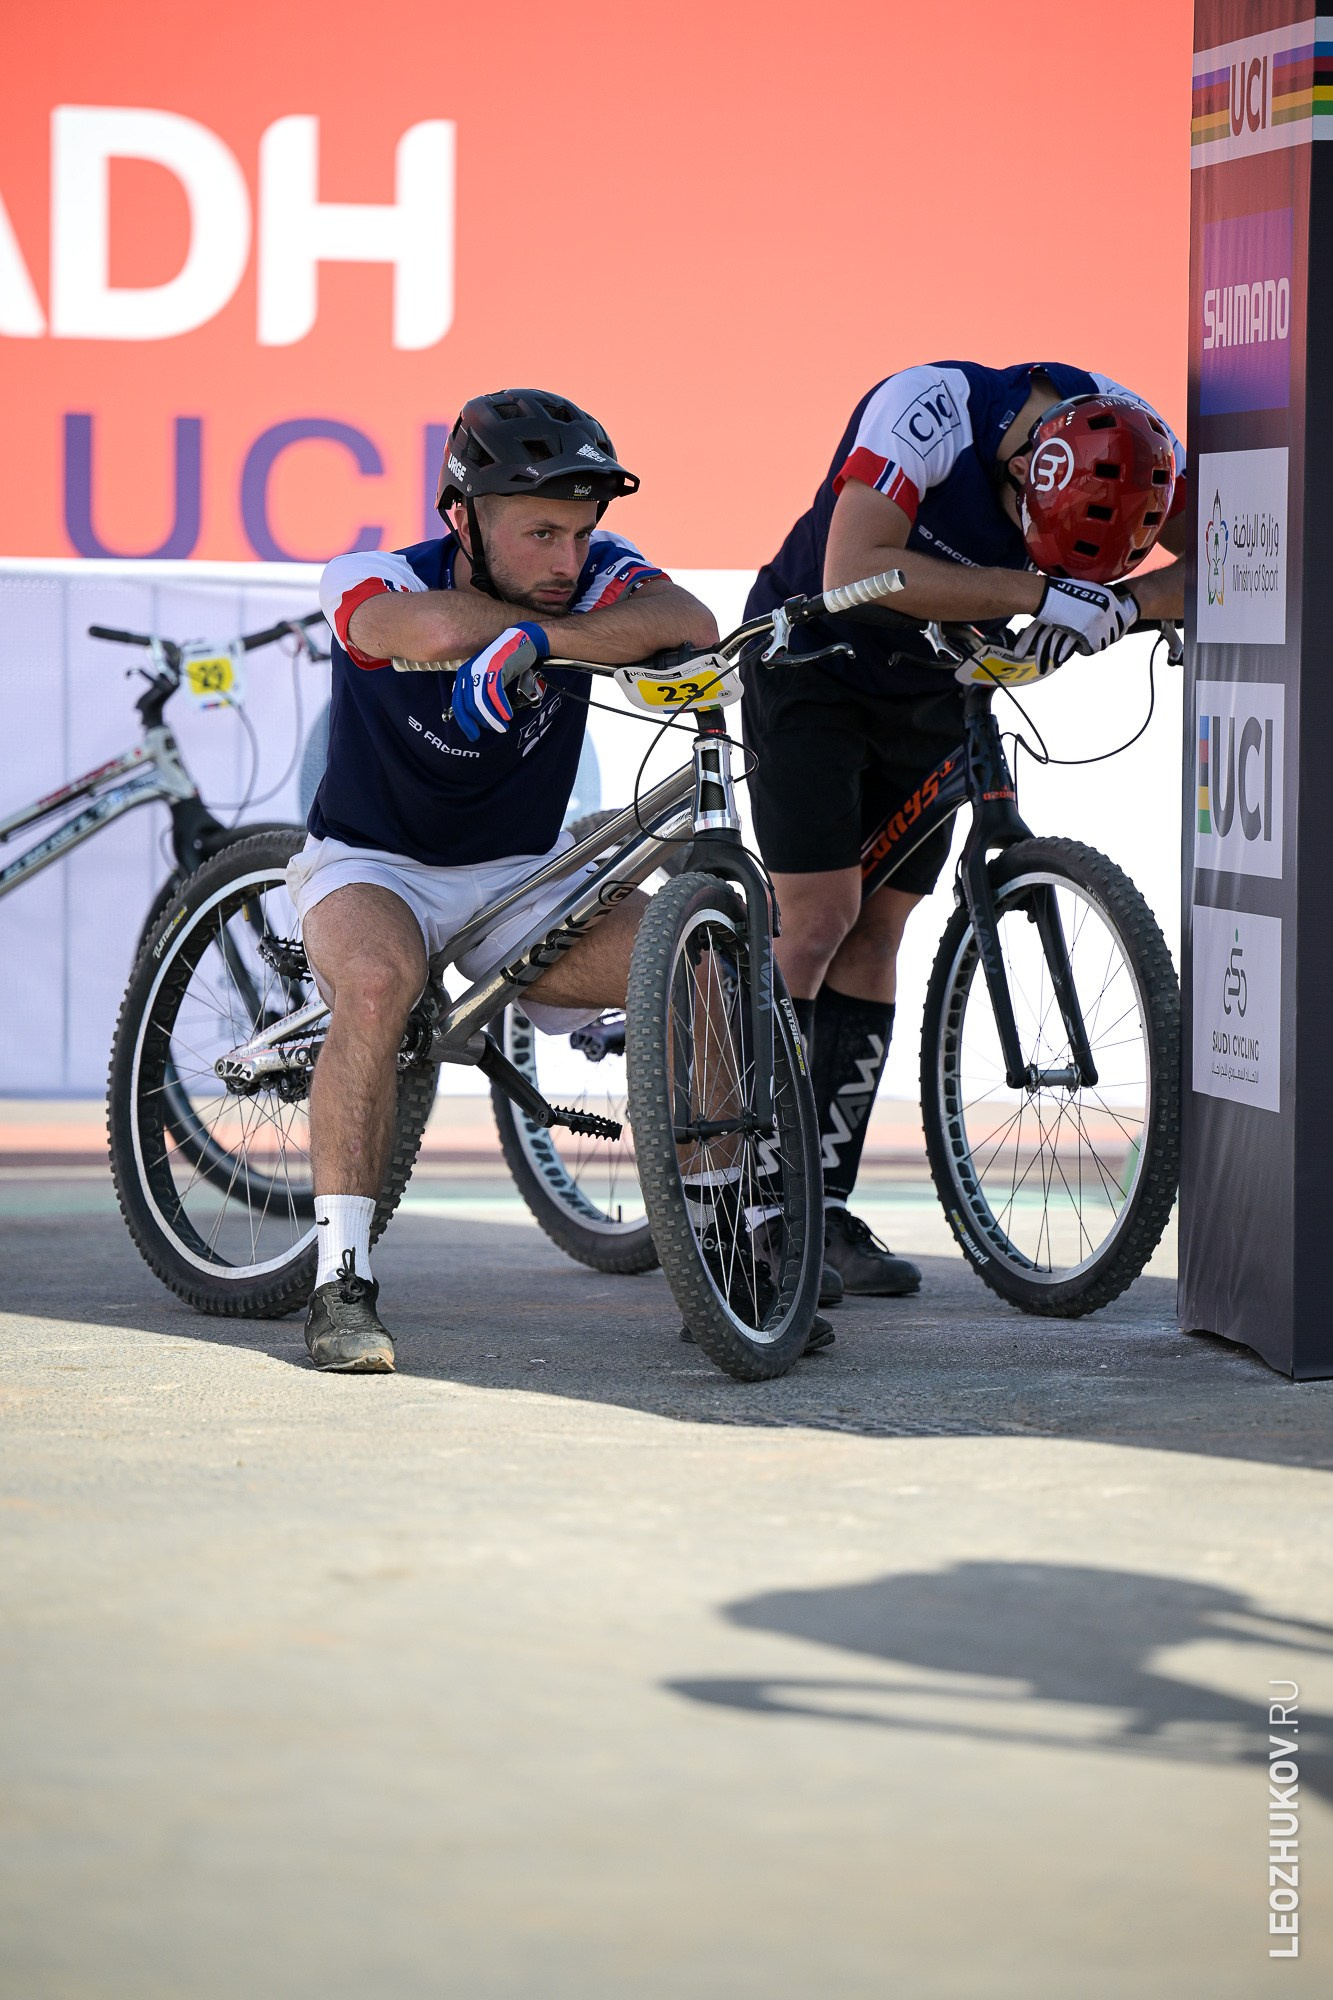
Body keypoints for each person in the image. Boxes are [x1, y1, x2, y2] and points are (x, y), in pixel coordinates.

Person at [293, 389, 718, 1372]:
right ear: (462, 518)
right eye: (539, 532)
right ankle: (342, 1282)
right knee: (372, 984)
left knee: (694, 962)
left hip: (519, 876)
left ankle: (730, 1241)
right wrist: (527, 634)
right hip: (373, 861)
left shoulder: (587, 582)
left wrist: (543, 638)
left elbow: (684, 618)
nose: (568, 561)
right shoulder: (374, 570)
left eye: (580, 532)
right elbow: (425, 630)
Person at [742, 362, 1186, 1303]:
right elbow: (853, 567)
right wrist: (1031, 594)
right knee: (818, 919)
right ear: (1027, 468)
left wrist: (1121, 603)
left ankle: (820, 1201)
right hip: (815, 662)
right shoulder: (928, 407)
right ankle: (746, 1200)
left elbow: (1235, 558)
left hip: (941, 684)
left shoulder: (1139, 449)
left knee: (879, 934)